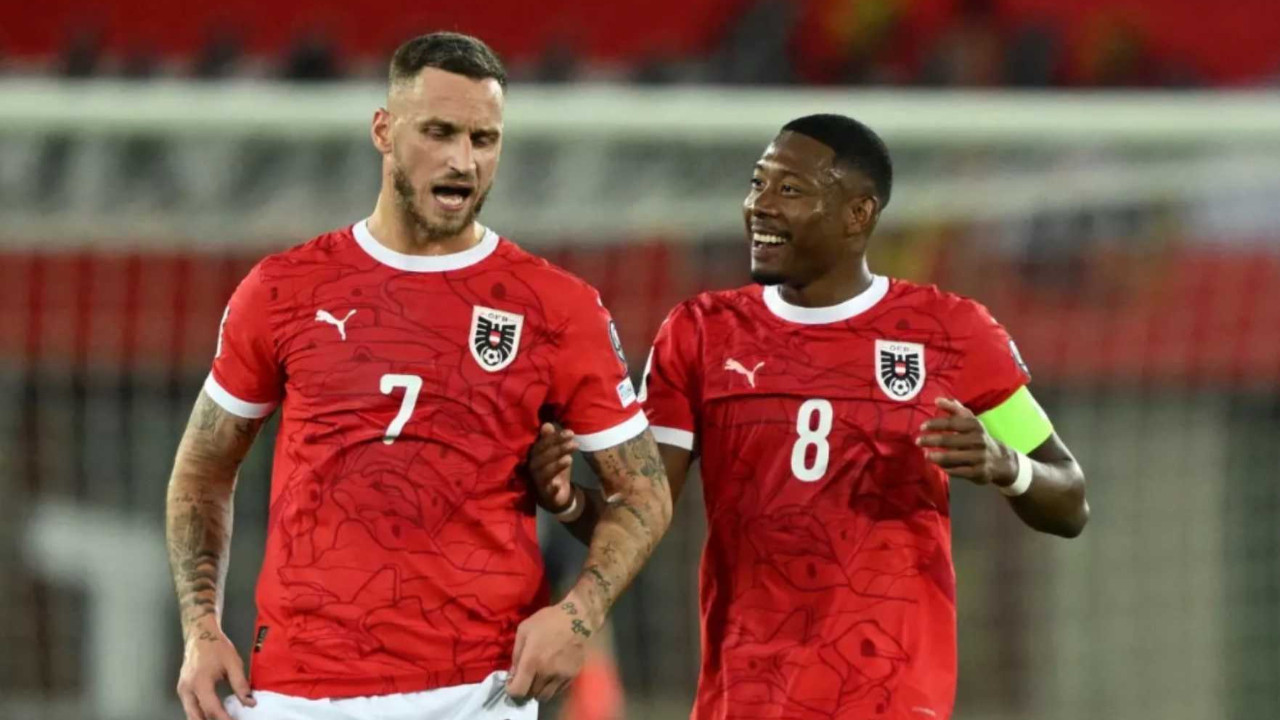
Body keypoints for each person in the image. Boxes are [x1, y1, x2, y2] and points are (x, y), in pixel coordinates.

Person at [164, 32, 672, 720]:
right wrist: (201, 629)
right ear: (384, 130)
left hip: (478, 692)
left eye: (484, 139)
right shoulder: (284, 290)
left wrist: (579, 614)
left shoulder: (558, 308)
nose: (464, 160)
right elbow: (202, 469)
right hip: (296, 689)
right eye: (439, 132)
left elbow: (645, 491)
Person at [527, 114, 1088, 720]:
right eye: (757, 183)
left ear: (857, 214)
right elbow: (644, 512)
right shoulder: (700, 334)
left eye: (790, 189)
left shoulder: (953, 333)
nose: (759, 206)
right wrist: (568, 503)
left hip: (891, 701)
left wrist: (1007, 465)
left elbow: (1070, 498)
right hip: (744, 699)